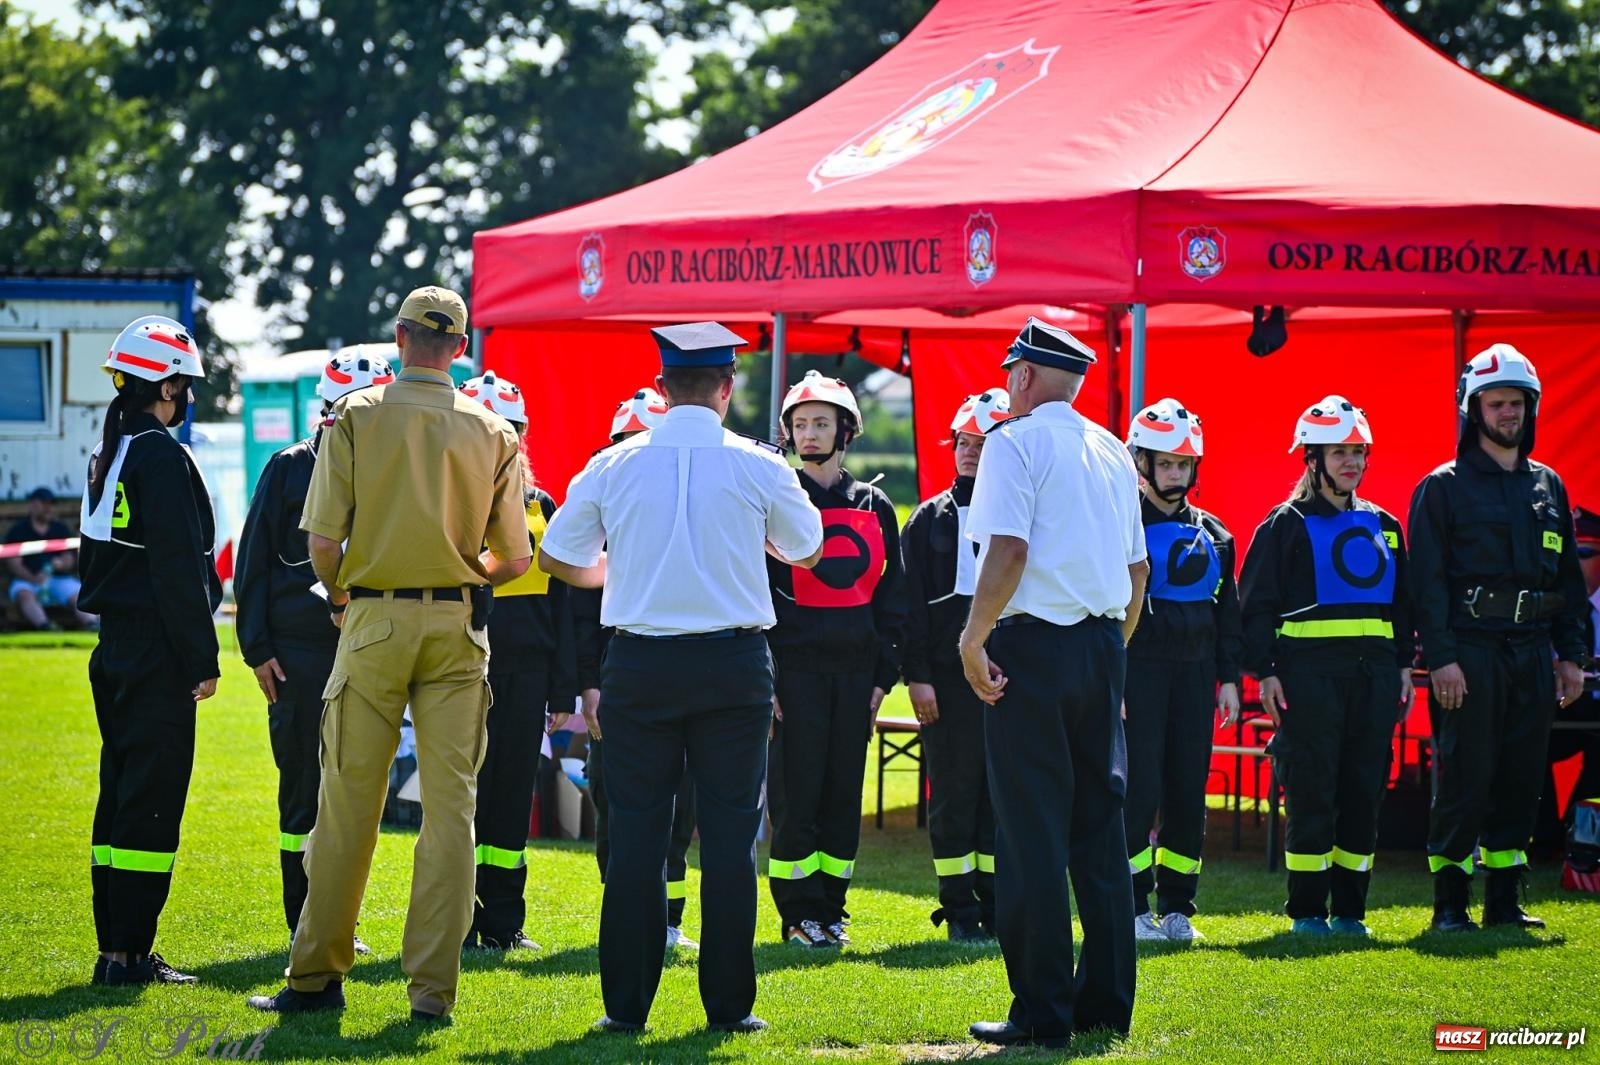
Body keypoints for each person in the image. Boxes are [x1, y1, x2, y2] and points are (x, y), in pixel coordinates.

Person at [247, 285, 530, 1022]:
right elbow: (516, 557)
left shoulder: (355, 416)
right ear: (460, 349)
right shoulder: (495, 429)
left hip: (370, 618)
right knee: (450, 815)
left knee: (345, 807)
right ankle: (432, 993)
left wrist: (345, 599)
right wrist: (468, 577)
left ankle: (314, 978)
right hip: (456, 628)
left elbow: (320, 544)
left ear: (400, 337)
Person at [538, 321, 822, 1035]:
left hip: (641, 662)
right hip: (733, 666)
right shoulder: (761, 465)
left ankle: (624, 1007)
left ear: (662, 390)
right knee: (729, 842)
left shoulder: (614, 463)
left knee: (634, 837)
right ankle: (729, 1007)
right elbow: (809, 548)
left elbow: (556, 554)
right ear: (726, 389)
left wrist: (613, 574)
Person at [959, 317, 1147, 1049]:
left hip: (1033, 648)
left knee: (1031, 831)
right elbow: (1138, 573)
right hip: (1102, 643)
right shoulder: (1110, 446)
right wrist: (1109, 650)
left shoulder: (1014, 441)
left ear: (1026, 375)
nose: (1008, 384)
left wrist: (974, 635)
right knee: (1100, 832)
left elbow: (1008, 548)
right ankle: (1105, 1004)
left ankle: (1042, 1008)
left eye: (1011, 372)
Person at [1408, 344, 1588, 931]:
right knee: (1465, 775)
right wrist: (1441, 659)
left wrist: (1573, 658)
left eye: (1518, 403)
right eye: (1497, 403)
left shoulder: (1548, 486)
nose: (1508, 413)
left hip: (1534, 652)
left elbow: (1565, 581)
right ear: (1474, 409)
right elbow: (1425, 583)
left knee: (1521, 776)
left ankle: (1505, 903)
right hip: (1470, 652)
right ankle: (1449, 906)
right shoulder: (1443, 487)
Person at [78, 315, 221, 986]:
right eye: (185, 384)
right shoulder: (159, 453)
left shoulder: (112, 449)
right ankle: (132, 955)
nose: (189, 395)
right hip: (156, 651)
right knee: (151, 802)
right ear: (165, 385)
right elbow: (178, 571)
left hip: (115, 647)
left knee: (120, 796)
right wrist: (202, 659)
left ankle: (115, 948)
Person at [1238, 396, 1413, 936]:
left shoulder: (1384, 524)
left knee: (1363, 792)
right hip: (1308, 681)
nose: (1352, 463)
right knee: (1312, 794)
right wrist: (1265, 670)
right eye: (1340, 452)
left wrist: (1404, 665)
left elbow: (1401, 607)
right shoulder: (1283, 525)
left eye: (1358, 452)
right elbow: (1255, 606)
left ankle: (1351, 913)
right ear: (1312, 460)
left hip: (1375, 680)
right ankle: (1308, 912)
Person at [235, 350, 392, 951]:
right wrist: (256, 649)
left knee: (351, 789)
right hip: (298, 652)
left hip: (368, 645)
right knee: (303, 784)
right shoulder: (289, 467)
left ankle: (336, 922)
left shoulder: (390, 467)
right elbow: (251, 563)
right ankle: (304, 922)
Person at [765, 369, 906, 949]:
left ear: (846, 430)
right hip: (793, 675)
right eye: (801, 424)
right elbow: (758, 595)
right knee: (796, 797)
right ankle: (797, 914)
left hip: (855, 679)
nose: (810, 434)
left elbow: (892, 600)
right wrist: (766, 676)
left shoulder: (875, 505)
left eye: (822, 423)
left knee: (842, 797)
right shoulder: (777, 500)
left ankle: (832, 908)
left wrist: (880, 681)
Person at [575, 386, 702, 952]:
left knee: (681, 808)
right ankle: (626, 915)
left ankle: (669, 920)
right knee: (616, 804)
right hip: (616, 683)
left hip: (679, 678)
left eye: (639, 441)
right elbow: (578, 620)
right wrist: (588, 686)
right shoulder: (594, 528)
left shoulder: (693, 520)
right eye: (622, 442)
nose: (631, 454)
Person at [456, 369, 577, 953]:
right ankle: (454, 923)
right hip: (460, 666)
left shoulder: (540, 503)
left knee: (509, 798)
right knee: (460, 798)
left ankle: (502, 923)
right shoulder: (444, 499)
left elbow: (561, 605)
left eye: (509, 428)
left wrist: (561, 690)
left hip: (527, 672)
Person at [1122, 398, 1243, 943]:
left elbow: (1229, 614)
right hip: (1139, 675)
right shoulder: (1120, 526)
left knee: (1187, 792)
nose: (1176, 474)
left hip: (1196, 676)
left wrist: (1230, 681)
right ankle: (1131, 906)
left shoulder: (1216, 533)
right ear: (1141, 464)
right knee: (1137, 790)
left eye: (1184, 464)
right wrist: (1113, 682)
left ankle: (1177, 908)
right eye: (1165, 463)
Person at [900, 388, 1011, 943]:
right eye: (962, 442)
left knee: (999, 794)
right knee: (953, 794)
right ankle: (959, 910)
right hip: (944, 682)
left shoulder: (1020, 516)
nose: (968, 452)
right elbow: (908, 607)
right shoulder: (928, 520)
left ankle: (996, 905)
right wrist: (918, 676)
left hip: (1005, 680)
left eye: (981, 443)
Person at [1534, 505, 1600, 855]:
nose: (1575, 562)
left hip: (1596, 713)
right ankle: (1545, 840)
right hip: (1555, 709)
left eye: (1586, 553)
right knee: (1526, 742)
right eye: (1570, 554)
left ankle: (1578, 836)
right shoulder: (1548, 603)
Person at [6, 486, 95, 629]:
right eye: (43, 503)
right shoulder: (19, 530)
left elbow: (69, 557)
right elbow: (14, 563)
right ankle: (45, 626)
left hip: (57, 578)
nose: (47, 508)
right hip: (28, 580)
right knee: (24, 595)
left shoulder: (59, 528)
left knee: (78, 594)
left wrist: (61, 564)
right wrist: (33, 578)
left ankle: (92, 624)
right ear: (32, 505)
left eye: (50, 504)